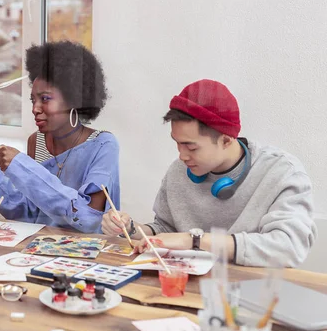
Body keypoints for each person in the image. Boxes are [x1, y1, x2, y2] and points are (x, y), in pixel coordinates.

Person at [102, 79, 317, 267]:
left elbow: (290, 247)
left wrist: (195, 240)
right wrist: (129, 228)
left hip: (254, 293)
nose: (182, 156)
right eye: (177, 144)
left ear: (226, 139)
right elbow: (164, 229)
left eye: (191, 147)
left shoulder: (281, 172)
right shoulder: (180, 170)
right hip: (187, 286)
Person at [0, 41, 118, 233]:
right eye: (33, 100)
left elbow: (88, 218)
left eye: (45, 99)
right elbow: (27, 214)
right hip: (41, 248)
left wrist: (23, 167)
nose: (35, 109)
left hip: (86, 254)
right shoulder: (36, 141)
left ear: (73, 99)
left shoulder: (103, 145)